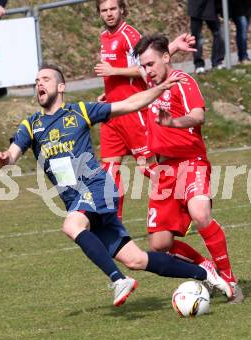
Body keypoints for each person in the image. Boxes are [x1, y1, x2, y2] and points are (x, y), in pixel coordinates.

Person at [0, 64, 233, 307]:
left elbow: (129, 104)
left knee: (71, 225)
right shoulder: (32, 125)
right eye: (36, 81)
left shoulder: (80, 112)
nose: (39, 84)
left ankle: (118, 279)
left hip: (96, 187)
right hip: (78, 200)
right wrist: (5, 159)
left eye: (45, 79)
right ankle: (206, 274)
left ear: (61, 87)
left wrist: (158, 89)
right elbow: (13, 154)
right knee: (136, 259)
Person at [133, 34, 244, 303]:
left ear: (166, 59)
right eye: (144, 66)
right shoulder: (152, 82)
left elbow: (198, 115)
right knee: (159, 246)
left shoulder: (184, 81)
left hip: (190, 160)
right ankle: (206, 267)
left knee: (200, 212)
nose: (147, 71)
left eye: (150, 64)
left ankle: (229, 279)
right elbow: (149, 66)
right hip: (164, 171)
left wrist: (173, 123)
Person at [94, 0, 196, 220]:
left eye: (113, 9)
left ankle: (187, 201)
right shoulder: (104, 37)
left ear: (122, 9)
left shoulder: (129, 34)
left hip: (133, 110)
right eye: (104, 10)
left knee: (146, 167)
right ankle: (115, 224)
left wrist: (114, 71)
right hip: (112, 112)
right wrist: (109, 93)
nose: (109, 14)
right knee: (109, 171)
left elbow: (144, 67)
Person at [188, 0, 225, 73]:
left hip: (210, 7)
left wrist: (219, 8)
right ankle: (199, 65)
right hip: (196, 8)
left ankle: (217, 62)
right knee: (196, 36)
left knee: (219, 32)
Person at [227, 0, 251, 64]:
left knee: (242, 32)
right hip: (237, 8)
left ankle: (242, 57)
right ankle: (243, 58)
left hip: (247, 7)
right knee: (242, 32)